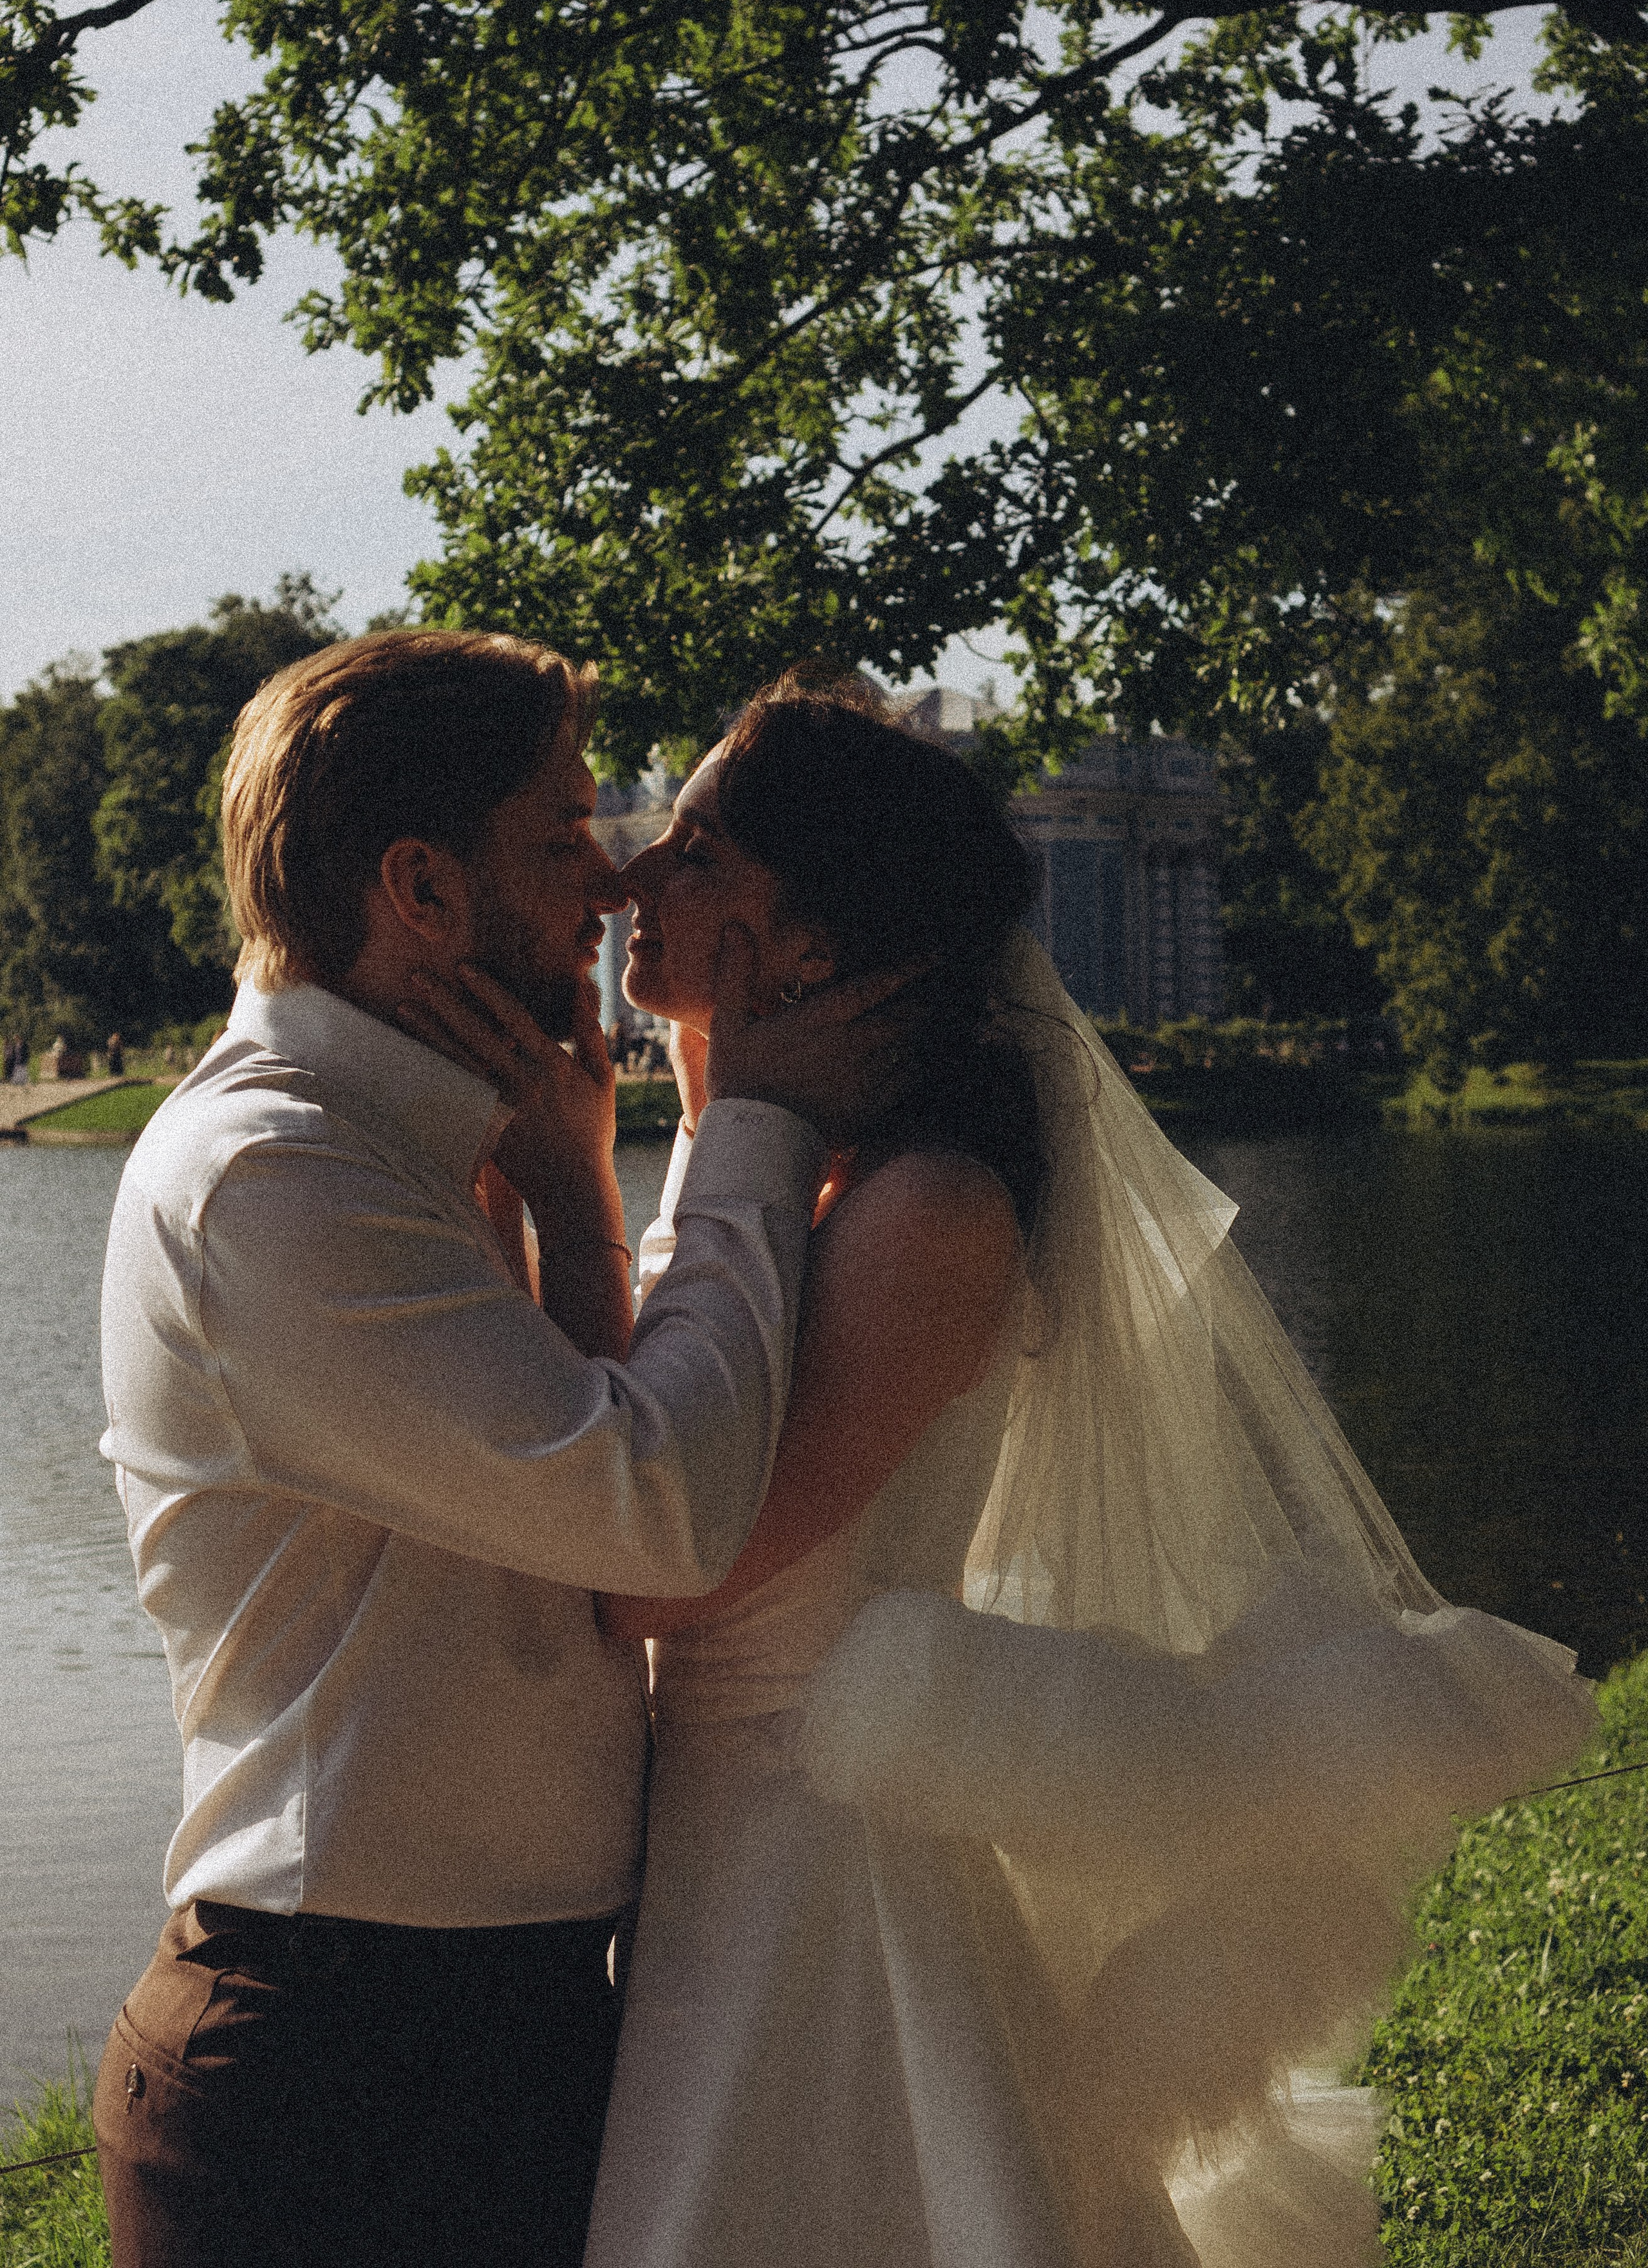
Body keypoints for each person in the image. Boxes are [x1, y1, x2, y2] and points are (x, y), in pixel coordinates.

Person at [537, 674, 1589, 2268]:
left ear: (809, 936)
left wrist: (606, 1177)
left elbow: (668, 1566)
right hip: (730, 1833)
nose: (630, 877)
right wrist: (709, 1124)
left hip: (819, 1868)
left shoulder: (926, 1209)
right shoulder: (816, 1176)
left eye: (693, 850)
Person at [91, 630, 919, 2268]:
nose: (612, 889)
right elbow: (660, 1511)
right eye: (558, 838)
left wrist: (575, 1208)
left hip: (493, 2025)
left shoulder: (418, 1151)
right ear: (420, 889)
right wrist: (748, 1117)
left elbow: (582, 1513)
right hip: (336, 2081)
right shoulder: (273, 1181)